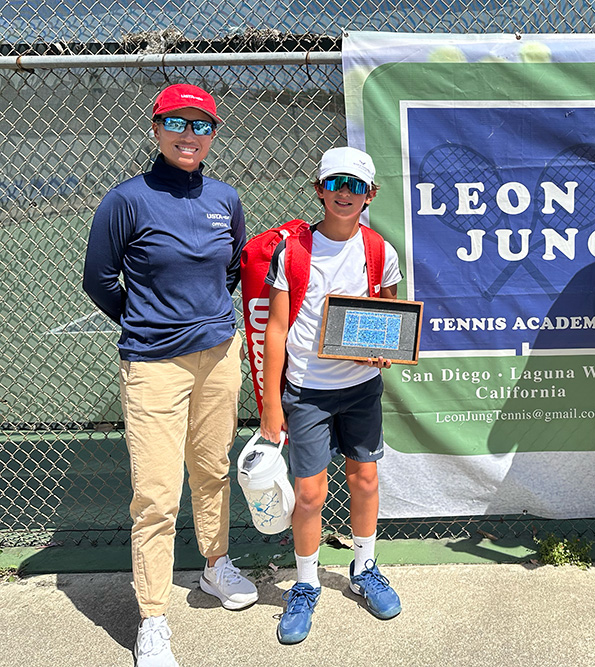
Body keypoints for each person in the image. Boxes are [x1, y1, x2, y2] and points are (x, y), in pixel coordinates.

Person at [83, 84, 257, 667]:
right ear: (156, 129)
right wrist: (150, 323)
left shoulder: (224, 197)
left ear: (213, 133)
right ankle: (153, 618)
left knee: (211, 470)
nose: (190, 134)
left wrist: (205, 319)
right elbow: (101, 280)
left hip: (217, 355)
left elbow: (231, 269)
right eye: (177, 123)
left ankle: (214, 565)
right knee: (156, 495)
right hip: (153, 363)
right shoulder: (126, 200)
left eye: (202, 124)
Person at [260, 146, 404, 644]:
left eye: (356, 185)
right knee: (309, 493)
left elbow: (390, 316)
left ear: (370, 195)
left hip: (361, 389)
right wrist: (272, 402)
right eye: (336, 183)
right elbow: (276, 330)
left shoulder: (380, 250)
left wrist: (385, 348)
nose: (346, 193)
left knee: (364, 480)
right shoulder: (293, 250)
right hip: (306, 392)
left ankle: (365, 568)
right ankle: (304, 583)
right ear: (320, 189)